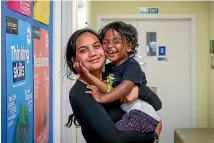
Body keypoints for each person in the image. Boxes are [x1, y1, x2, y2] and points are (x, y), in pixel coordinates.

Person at [65, 28, 162, 143]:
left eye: (96, 46)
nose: (93, 53)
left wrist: (138, 90)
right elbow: (115, 140)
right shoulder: (81, 92)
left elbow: (157, 104)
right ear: (74, 59)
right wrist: (154, 135)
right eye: (83, 50)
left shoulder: (111, 77)